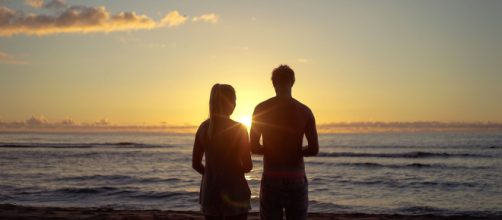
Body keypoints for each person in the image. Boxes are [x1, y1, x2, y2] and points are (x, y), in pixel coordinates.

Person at [250, 65, 319, 220]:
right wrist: (297, 151)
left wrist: (271, 150)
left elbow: (252, 146)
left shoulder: (261, 109)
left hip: (271, 176)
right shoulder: (305, 111)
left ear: (273, 83)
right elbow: (314, 149)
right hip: (296, 177)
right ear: (293, 82)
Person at [192, 84, 253, 220]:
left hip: (210, 192)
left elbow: (196, 164)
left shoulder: (203, 128)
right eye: (234, 100)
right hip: (235, 192)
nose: (236, 104)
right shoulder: (239, 129)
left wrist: (211, 173)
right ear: (229, 102)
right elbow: (248, 166)